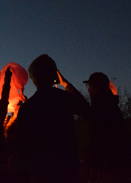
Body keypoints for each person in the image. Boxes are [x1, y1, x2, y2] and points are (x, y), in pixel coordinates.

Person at [11, 54, 88, 183]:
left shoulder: (28, 107)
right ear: (54, 75)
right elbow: (86, 110)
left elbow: (20, 145)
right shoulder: (64, 99)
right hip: (67, 167)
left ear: (33, 78)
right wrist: (65, 83)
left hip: (40, 170)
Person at [83, 72, 131, 183]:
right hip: (117, 166)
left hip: (107, 168)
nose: (88, 90)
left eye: (89, 86)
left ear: (95, 87)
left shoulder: (99, 106)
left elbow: (97, 139)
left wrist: (90, 165)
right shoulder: (111, 106)